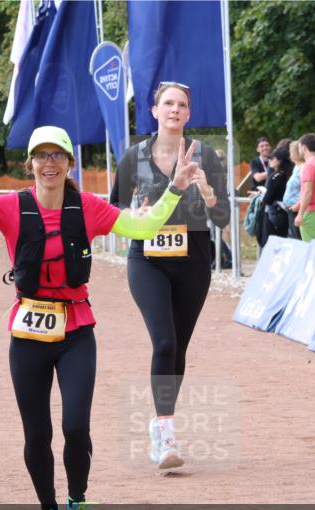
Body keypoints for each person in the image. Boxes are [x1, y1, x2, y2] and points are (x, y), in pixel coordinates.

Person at [0, 121, 198, 510]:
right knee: (37, 434)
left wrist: (174, 188)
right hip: (28, 335)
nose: (50, 163)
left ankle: (77, 503)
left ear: (69, 163)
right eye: (42, 155)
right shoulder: (10, 206)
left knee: (76, 426)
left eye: (57, 155)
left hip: (76, 331)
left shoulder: (88, 208)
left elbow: (143, 228)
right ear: (30, 164)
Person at [110, 82, 230, 470]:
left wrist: (208, 192)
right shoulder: (134, 157)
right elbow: (112, 213)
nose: (174, 109)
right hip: (147, 259)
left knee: (178, 348)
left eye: (181, 104)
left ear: (189, 113)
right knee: (163, 342)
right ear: (154, 111)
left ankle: (161, 422)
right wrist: (134, 217)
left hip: (194, 259)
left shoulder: (206, 155)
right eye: (168, 103)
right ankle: (166, 434)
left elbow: (223, 218)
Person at [295, 133, 315, 241]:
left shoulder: (308, 166)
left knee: (311, 247)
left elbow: (308, 192)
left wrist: (300, 214)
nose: (299, 150)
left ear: (304, 147)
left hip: (311, 212)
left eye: (299, 147)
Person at [260, 146, 292, 246]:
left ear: (279, 161)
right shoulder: (288, 174)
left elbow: (268, 199)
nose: (270, 161)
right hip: (285, 214)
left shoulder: (276, 176)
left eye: (272, 158)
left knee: (272, 244)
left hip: (275, 214)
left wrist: (263, 196)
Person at [283, 140, 303, 239]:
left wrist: (297, 205)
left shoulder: (303, 168)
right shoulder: (296, 167)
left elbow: (305, 189)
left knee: (298, 238)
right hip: (291, 208)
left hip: (297, 208)